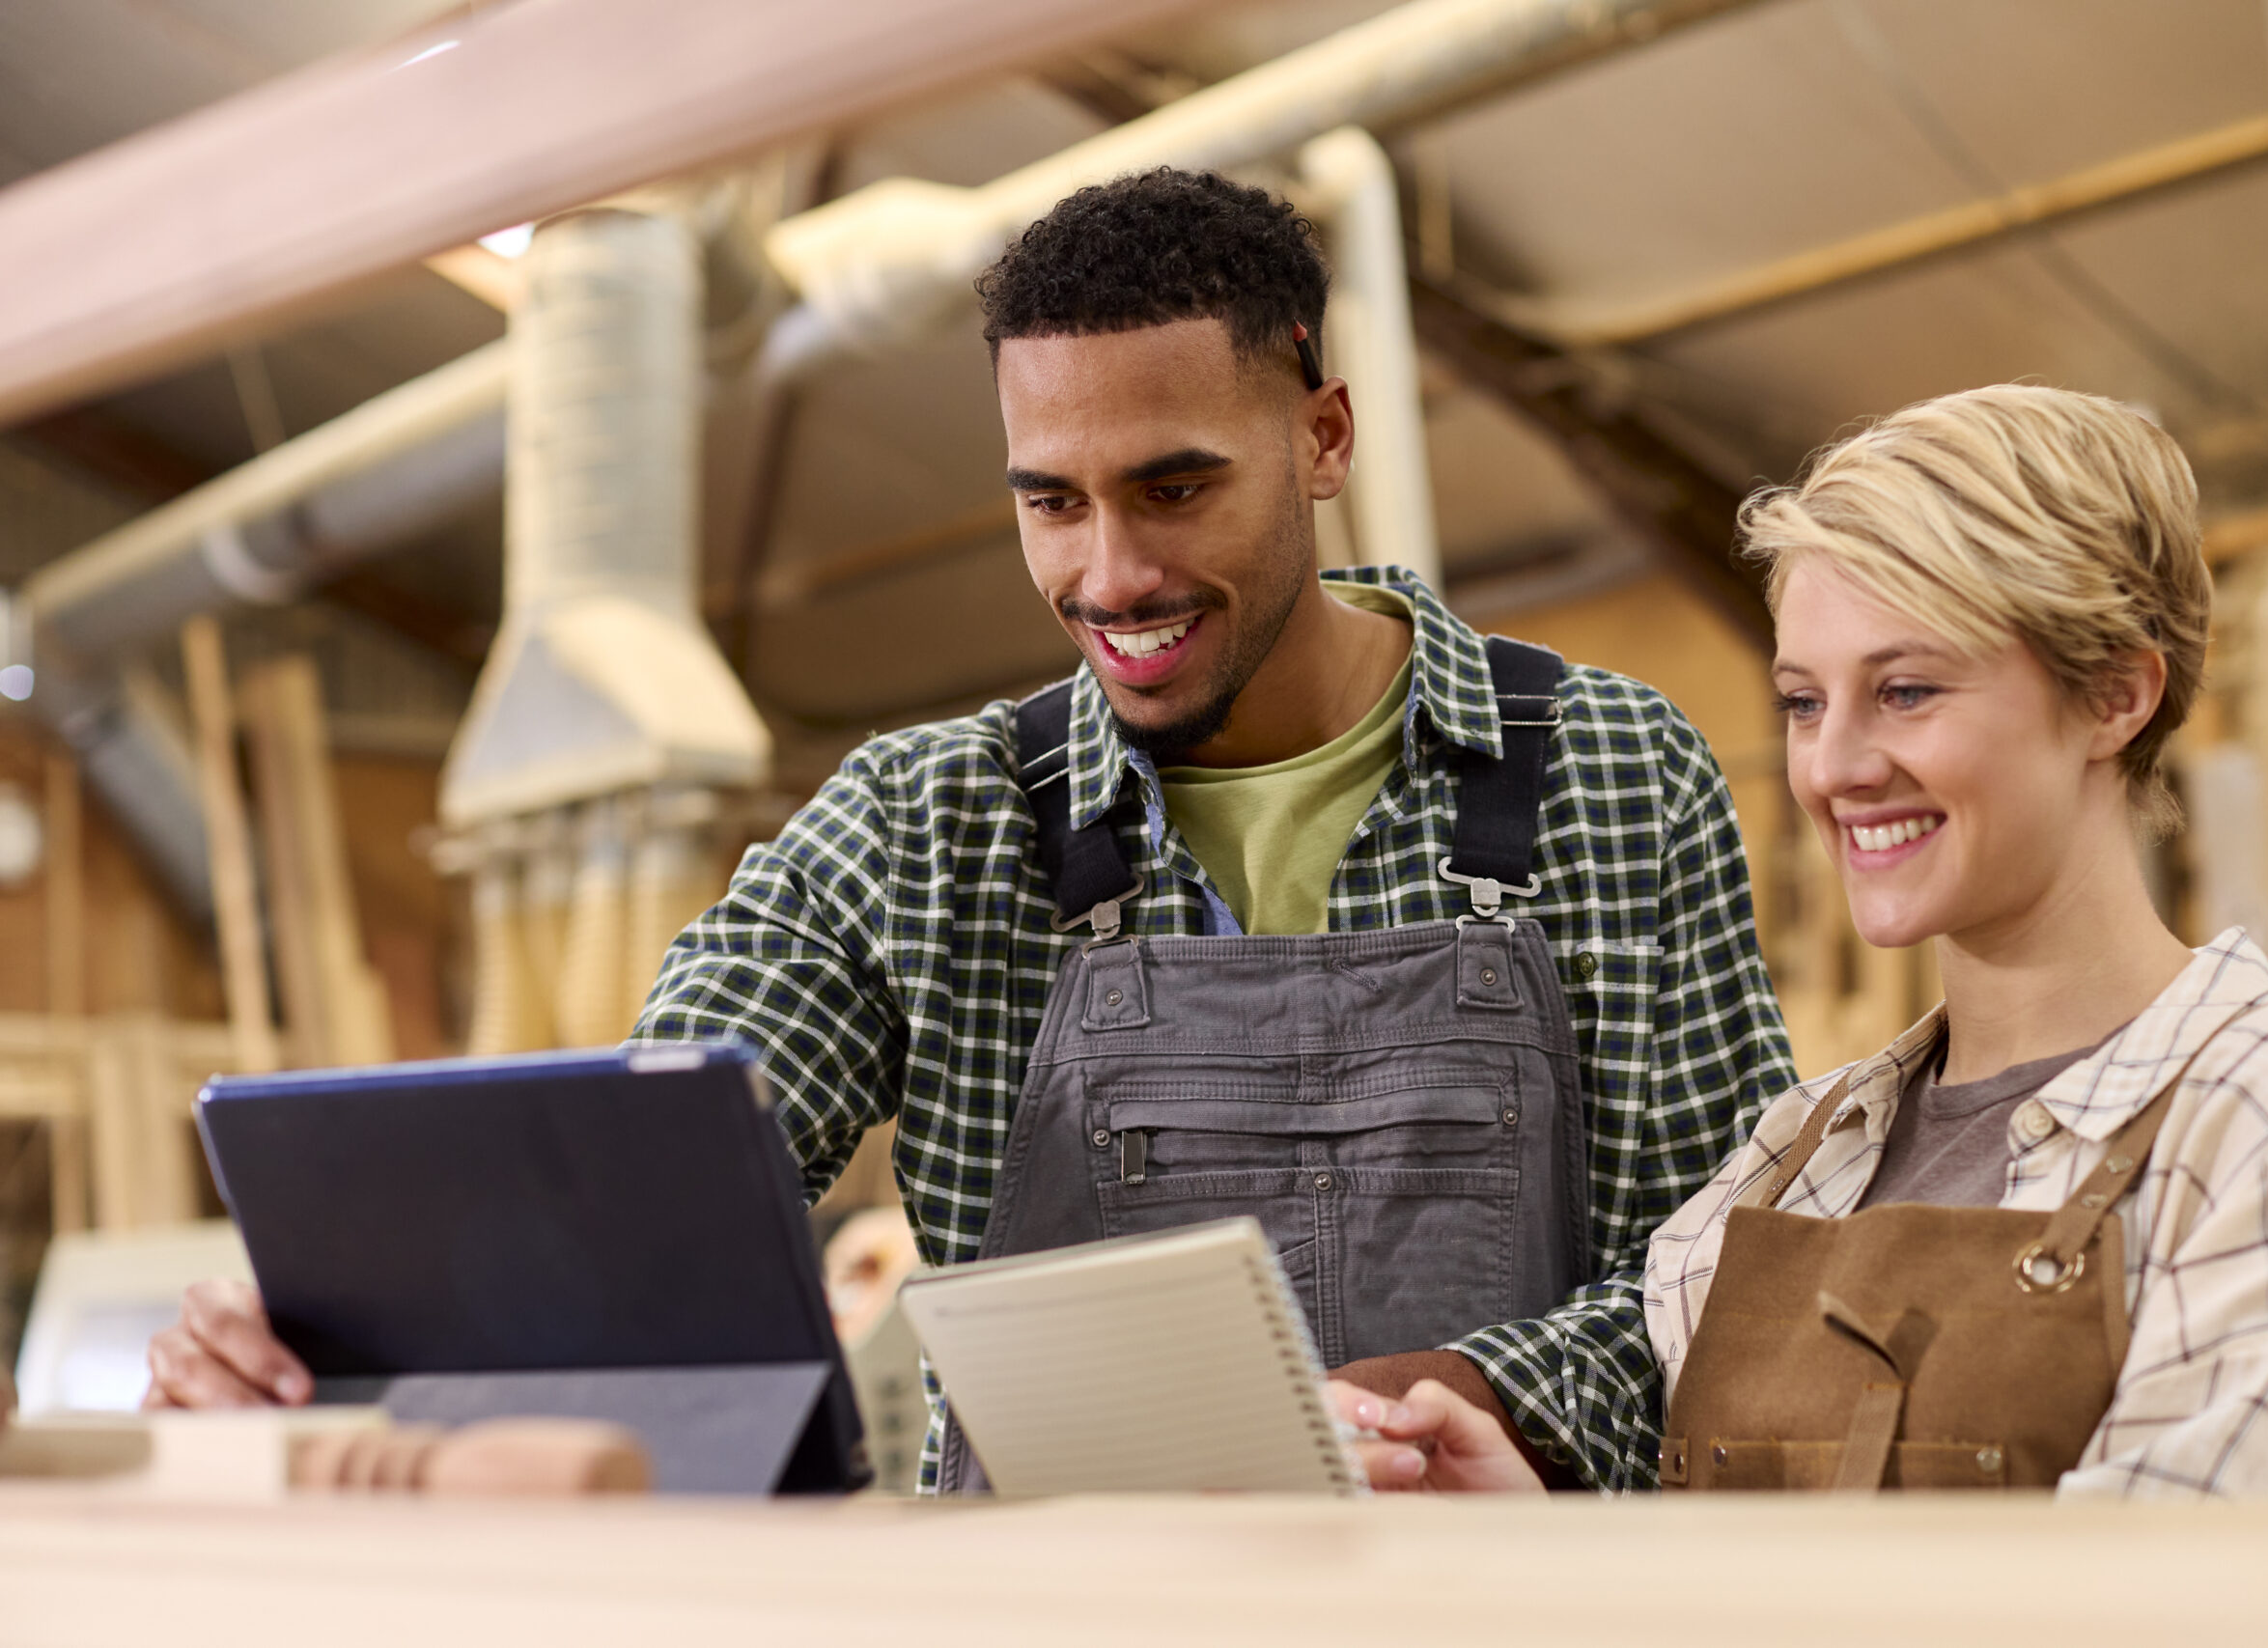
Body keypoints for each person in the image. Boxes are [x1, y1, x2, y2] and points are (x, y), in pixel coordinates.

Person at [145, 168, 1794, 1493]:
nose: (1109, 575)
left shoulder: (1607, 770)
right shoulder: (921, 825)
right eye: (1051, 502)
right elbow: (644, 1192)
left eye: (1173, 487)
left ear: (1323, 437)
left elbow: (1735, 1268)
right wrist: (328, 1344)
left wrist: (1470, 1397)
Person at [1338, 385, 2268, 1497]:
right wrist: (1536, 1525)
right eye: (1804, 703)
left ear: (2115, 696)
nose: (1834, 768)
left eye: (1905, 691)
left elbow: (2184, 1586)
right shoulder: (1795, 1157)